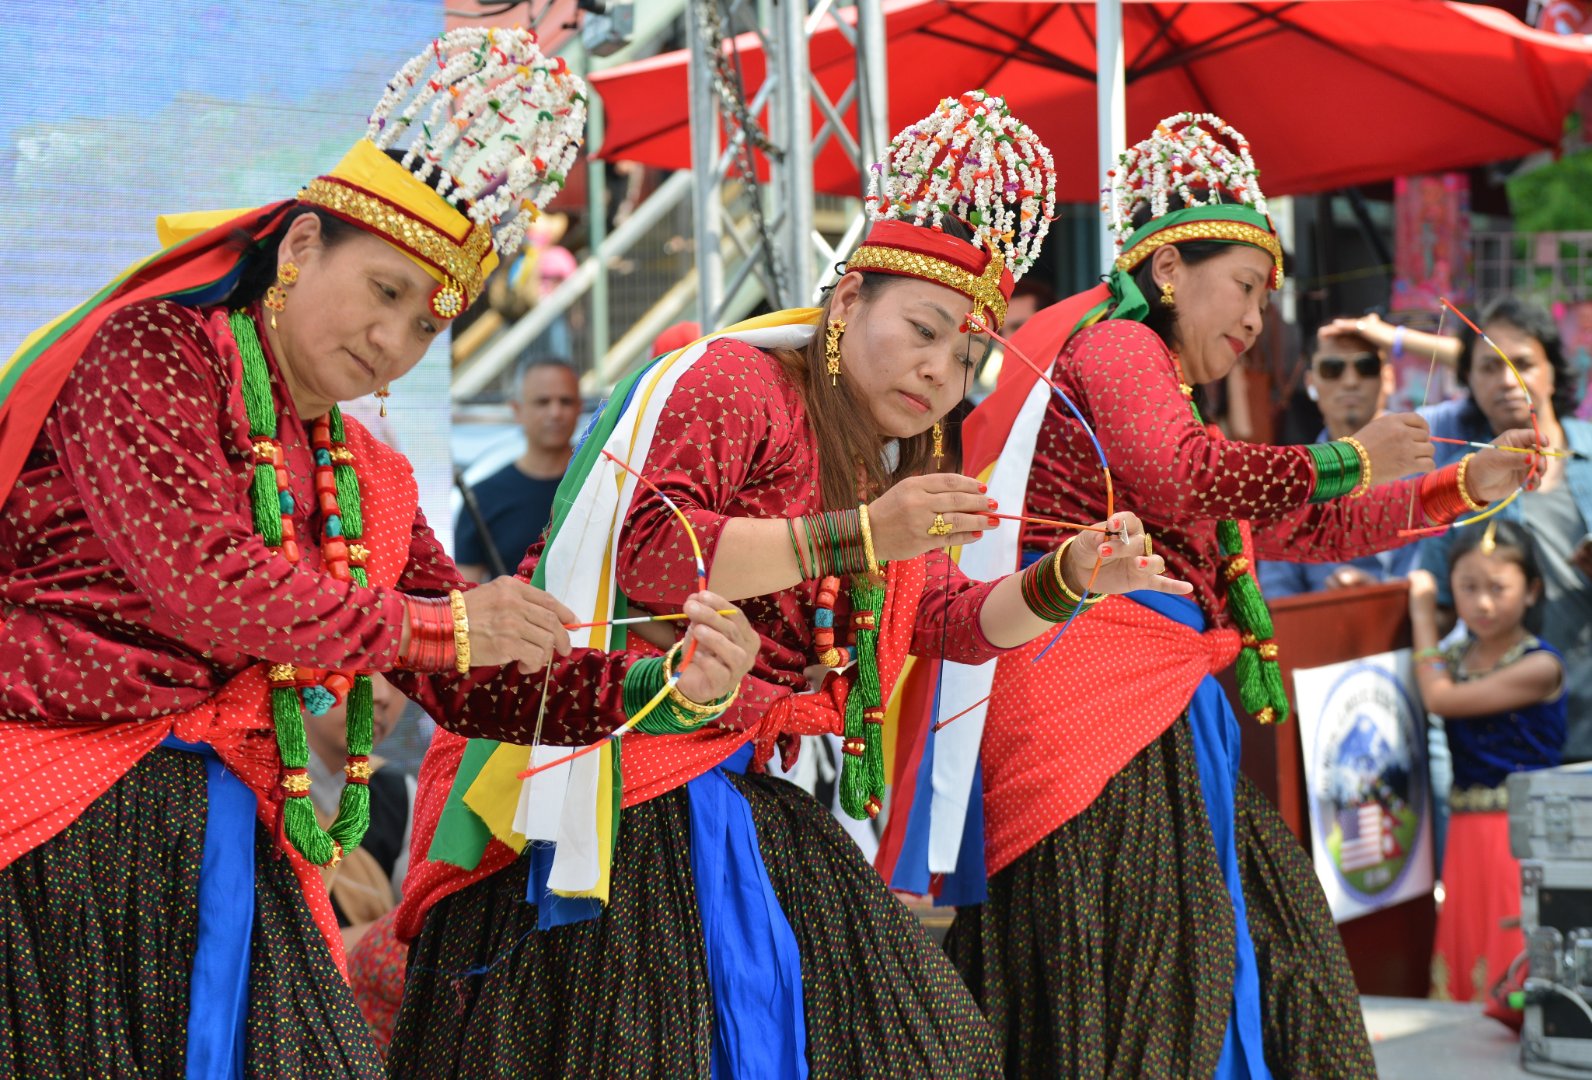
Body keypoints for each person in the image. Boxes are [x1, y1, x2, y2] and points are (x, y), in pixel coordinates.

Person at [0, 30, 759, 1078]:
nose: (395, 340)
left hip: (241, 841)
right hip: (54, 827)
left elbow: (466, 682)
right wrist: (446, 625)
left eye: (426, 325)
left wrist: (658, 686)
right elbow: (211, 584)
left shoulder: (367, 473)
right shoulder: (152, 352)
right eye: (387, 292)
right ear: (302, 246)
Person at [388, 91, 1184, 1079]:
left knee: (922, 1046)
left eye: (966, 354)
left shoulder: (881, 463)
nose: (941, 371)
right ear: (846, 304)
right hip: (623, 770)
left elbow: (949, 619)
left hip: (740, 781)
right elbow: (653, 555)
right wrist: (856, 535)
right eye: (925, 330)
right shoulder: (738, 383)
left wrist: (1069, 578)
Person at [921, 113, 1542, 1079]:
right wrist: (1345, 456)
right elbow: (1181, 478)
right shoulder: (1122, 349)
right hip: (1102, 713)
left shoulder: (1161, 382)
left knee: (1230, 965)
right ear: (1167, 269)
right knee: (1158, 991)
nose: (1256, 320)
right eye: (1246, 287)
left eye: (1266, 298)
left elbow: (1298, 522)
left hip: (1148, 711)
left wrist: (1462, 487)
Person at [1410, 296, 1592, 761]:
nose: (1508, 381)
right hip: (1512, 741)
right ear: (1468, 379)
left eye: (1525, 363)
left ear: (1553, 370)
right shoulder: (1452, 484)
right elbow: (1441, 604)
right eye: (1490, 367)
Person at [1410, 522, 1566, 1027]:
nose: (1482, 603)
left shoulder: (1541, 665)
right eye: (1467, 587)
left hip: (1519, 835)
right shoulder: (1455, 658)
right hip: (1466, 833)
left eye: (1498, 588)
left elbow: (1440, 699)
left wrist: (1421, 614)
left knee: (1511, 952)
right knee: (1465, 955)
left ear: (1532, 590)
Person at [1258, 320, 1419, 596]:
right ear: (1311, 383)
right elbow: (1279, 599)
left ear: (1389, 378)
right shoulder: (1295, 481)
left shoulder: (1426, 448)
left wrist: (1396, 337)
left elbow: (1496, 368)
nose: (1350, 381)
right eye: (1332, 369)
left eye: (1366, 366)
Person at [304, 671, 412, 949]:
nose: (382, 695)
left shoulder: (403, 795)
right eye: (359, 665)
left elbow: (416, 931)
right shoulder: (238, 782)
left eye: (401, 678)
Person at [454, 356, 582, 581]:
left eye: (566, 401)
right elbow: (468, 594)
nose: (556, 413)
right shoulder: (482, 497)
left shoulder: (603, 481)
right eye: (542, 402)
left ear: (580, 407)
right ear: (517, 409)